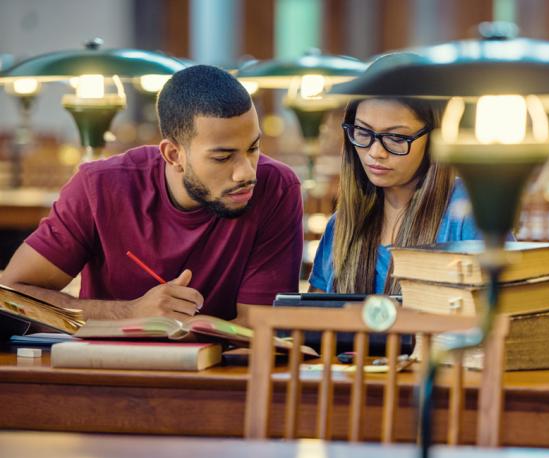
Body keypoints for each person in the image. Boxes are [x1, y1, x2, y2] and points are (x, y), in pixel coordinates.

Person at [0, 65, 303, 325]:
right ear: (173, 154)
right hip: (105, 372)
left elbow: (258, 326)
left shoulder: (276, 187)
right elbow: (12, 294)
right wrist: (129, 312)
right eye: (223, 157)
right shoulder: (100, 186)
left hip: (221, 375)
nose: (246, 173)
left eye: (253, 148)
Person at [309, 97, 480, 295]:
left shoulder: (467, 212)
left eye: (396, 138)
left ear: (435, 138)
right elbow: (315, 316)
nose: (375, 152)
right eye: (363, 132)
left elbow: (502, 317)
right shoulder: (340, 226)